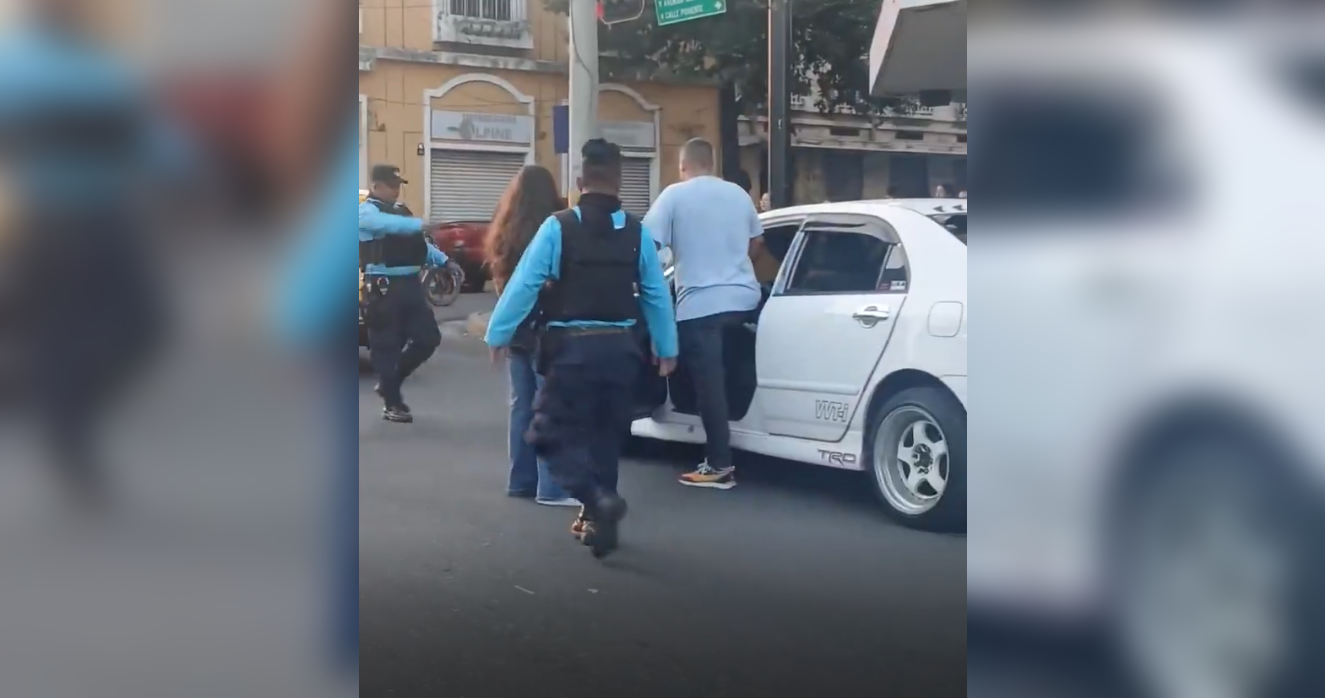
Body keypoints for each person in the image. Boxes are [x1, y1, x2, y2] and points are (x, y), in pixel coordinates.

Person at [484, 139, 677, 558]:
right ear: (620, 181)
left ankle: (595, 498)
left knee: (545, 434)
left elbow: (524, 284)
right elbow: (656, 294)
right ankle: (601, 527)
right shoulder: (637, 232)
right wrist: (667, 347)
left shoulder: (558, 227)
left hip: (573, 351)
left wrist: (498, 333)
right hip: (622, 352)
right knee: (605, 438)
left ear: (578, 181)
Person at [643, 138, 762, 491]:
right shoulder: (738, 194)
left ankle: (719, 465)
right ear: (712, 164)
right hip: (745, 300)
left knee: (710, 385)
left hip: (700, 306)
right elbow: (757, 241)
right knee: (735, 366)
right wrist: (735, 266)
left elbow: (647, 246)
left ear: (683, 166)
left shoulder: (674, 196)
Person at [485, 165, 577, 507]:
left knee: (521, 406)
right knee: (549, 406)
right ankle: (552, 487)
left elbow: (504, 283)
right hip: (549, 328)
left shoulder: (505, 231)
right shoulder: (556, 228)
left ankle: (521, 480)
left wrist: (502, 328)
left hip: (518, 328)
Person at [359, 164, 454, 423]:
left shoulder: (401, 212)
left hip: (411, 285)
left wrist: (444, 261)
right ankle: (393, 403)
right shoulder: (365, 212)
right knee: (386, 347)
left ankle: (390, 382)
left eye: (398, 185)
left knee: (428, 338)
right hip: (383, 287)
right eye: (391, 185)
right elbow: (387, 225)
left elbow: (419, 244)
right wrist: (417, 224)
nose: (396, 190)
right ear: (376, 186)